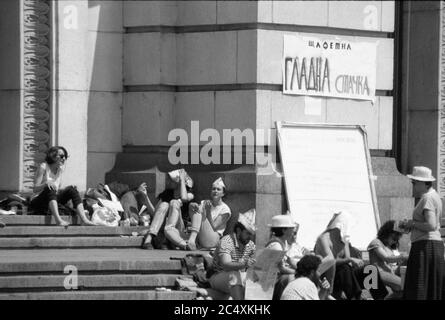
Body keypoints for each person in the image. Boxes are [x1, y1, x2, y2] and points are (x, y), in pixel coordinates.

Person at [314, 211, 387, 300]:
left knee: (370, 269)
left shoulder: (344, 239)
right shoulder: (324, 239)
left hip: (346, 275)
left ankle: (379, 297)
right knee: (344, 267)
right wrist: (350, 260)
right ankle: (356, 297)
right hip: (329, 277)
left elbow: (347, 258)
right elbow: (330, 262)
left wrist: (350, 260)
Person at [402, 166, 444, 300]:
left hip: (425, 246)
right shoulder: (435, 196)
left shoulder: (427, 198)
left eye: (414, 182)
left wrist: (412, 224)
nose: (412, 185)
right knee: (432, 288)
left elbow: (431, 225)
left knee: (419, 288)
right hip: (432, 245)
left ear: (422, 183)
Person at [29, 146, 95, 226]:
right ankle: (58, 220)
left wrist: (67, 191)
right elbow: (35, 189)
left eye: (65, 157)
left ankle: (84, 219)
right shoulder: (43, 167)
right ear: (52, 156)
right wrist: (46, 184)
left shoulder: (60, 170)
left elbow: (56, 191)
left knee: (71, 189)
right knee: (50, 187)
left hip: (50, 199)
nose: (64, 159)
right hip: (38, 201)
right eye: (61, 156)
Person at [165, 177, 231, 250]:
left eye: (218, 189)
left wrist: (208, 212)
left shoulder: (225, 209)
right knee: (168, 229)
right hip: (199, 237)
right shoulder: (204, 202)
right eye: (213, 189)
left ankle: (191, 240)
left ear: (223, 193)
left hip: (213, 239)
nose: (215, 191)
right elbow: (197, 217)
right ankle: (186, 245)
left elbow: (214, 227)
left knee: (200, 210)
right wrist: (192, 206)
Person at [208, 209, 256, 300]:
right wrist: (244, 264)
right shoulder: (227, 241)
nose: (250, 237)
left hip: (237, 279)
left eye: (252, 234)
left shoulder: (251, 245)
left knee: (257, 277)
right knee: (234, 275)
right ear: (238, 230)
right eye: (248, 233)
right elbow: (226, 265)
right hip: (217, 276)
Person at [141, 169, 194, 249]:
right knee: (164, 204)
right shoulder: (167, 193)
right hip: (164, 226)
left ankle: (168, 238)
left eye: (170, 179)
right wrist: (145, 197)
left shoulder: (189, 194)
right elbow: (155, 214)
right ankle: (149, 239)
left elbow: (184, 198)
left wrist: (182, 179)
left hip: (178, 229)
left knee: (173, 202)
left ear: (178, 182)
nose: (167, 181)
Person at [367, 220, 408, 295]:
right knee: (404, 286)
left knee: (408, 261)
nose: (395, 242)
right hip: (379, 273)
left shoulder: (388, 246)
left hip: (390, 271)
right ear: (387, 233)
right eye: (394, 239)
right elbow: (386, 258)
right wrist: (401, 256)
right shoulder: (376, 242)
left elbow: (393, 263)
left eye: (397, 240)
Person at [265, 214, 299, 300]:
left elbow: (289, 261)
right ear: (284, 230)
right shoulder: (276, 246)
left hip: (274, 282)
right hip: (267, 285)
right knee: (289, 278)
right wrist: (299, 272)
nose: (293, 230)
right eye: (291, 228)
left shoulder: (283, 243)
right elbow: (282, 269)